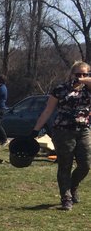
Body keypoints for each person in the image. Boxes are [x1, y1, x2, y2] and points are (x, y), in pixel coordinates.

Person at [31, 61, 91, 211]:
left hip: (83, 130)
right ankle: (66, 198)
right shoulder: (60, 89)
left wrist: (83, 81)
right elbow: (47, 111)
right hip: (63, 131)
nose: (81, 77)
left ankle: (73, 185)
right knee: (65, 165)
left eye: (85, 74)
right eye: (78, 74)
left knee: (85, 165)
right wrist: (36, 129)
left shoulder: (88, 89)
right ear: (71, 74)